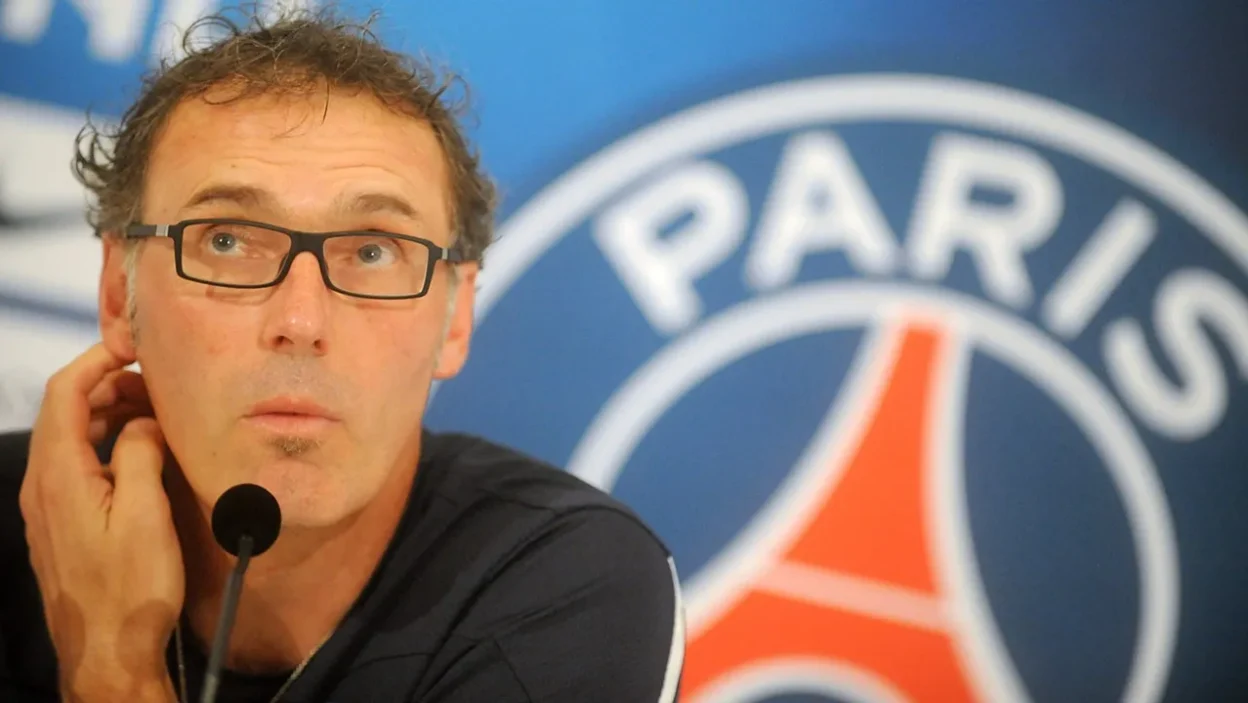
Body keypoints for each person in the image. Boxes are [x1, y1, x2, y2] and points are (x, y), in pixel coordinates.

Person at [0, 6, 684, 702]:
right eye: (227, 240)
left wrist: (112, 666)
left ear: (455, 318)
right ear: (120, 294)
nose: (301, 321)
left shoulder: (567, 585)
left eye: (374, 251)